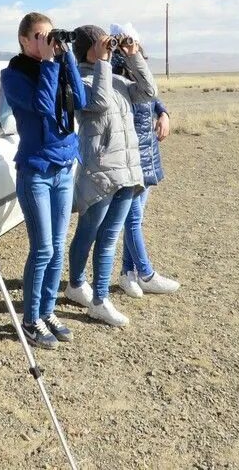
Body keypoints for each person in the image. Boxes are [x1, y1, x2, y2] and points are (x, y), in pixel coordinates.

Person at [1, 13, 87, 349]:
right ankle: (30, 318)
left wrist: (67, 61)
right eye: (39, 35)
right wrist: (51, 64)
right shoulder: (14, 75)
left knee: (57, 248)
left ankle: (47, 311)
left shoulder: (58, 65)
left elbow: (79, 101)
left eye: (50, 35)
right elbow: (43, 107)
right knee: (43, 248)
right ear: (23, 40)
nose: (46, 40)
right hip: (36, 171)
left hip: (65, 167)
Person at [64, 25, 157, 327]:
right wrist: (104, 62)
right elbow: (99, 103)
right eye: (102, 43)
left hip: (128, 171)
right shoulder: (78, 80)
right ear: (88, 48)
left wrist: (133, 57)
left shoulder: (115, 78)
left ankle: (99, 299)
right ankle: (77, 284)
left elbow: (148, 93)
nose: (109, 46)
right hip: (101, 173)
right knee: (88, 232)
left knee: (109, 238)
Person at [109, 23, 181, 297]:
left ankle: (129, 274)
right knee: (133, 219)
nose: (130, 46)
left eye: (133, 42)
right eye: (124, 42)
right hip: (130, 158)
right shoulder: (114, 75)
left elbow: (153, 96)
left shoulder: (139, 70)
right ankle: (146, 273)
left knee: (135, 219)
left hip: (149, 155)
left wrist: (164, 113)